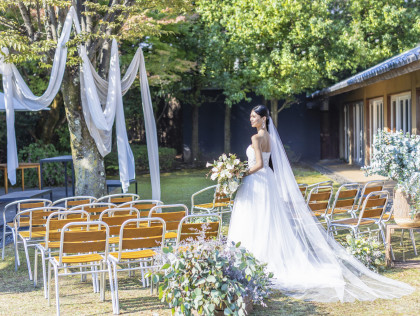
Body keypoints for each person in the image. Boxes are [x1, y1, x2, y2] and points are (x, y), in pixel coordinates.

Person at [228, 105, 414, 302]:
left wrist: (239, 172)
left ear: (264, 118)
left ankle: (255, 259)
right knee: (267, 220)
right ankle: (264, 258)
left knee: (255, 219)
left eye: (254, 117)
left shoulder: (256, 138)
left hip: (257, 181)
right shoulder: (271, 138)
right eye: (250, 116)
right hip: (269, 182)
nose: (251, 119)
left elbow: (257, 164)